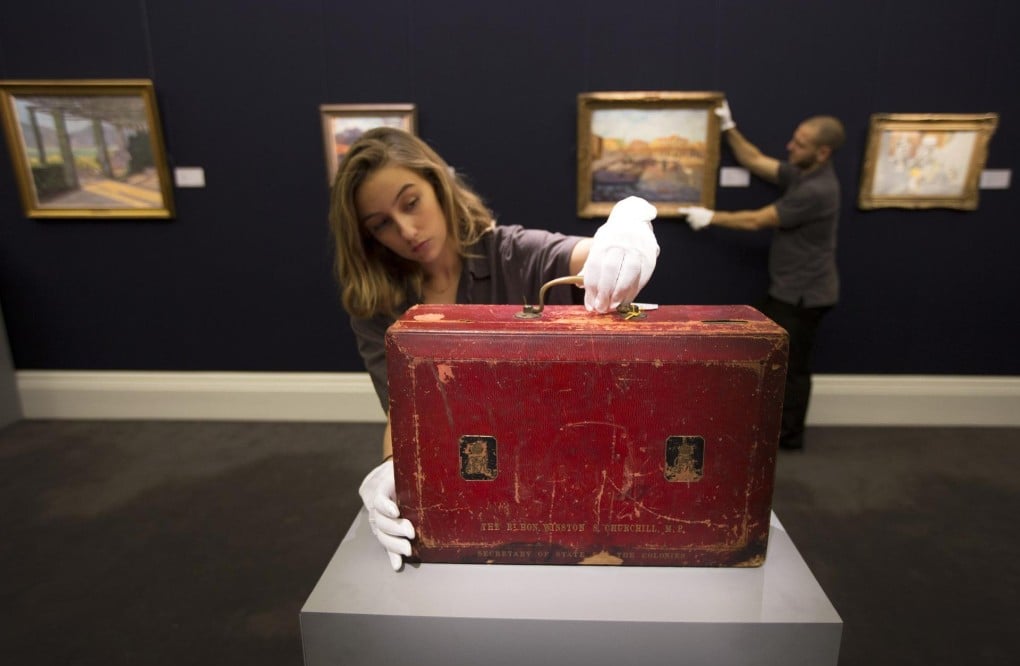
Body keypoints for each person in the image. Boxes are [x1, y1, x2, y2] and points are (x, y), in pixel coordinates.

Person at [329, 127, 659, 570]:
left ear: (438, 185)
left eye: (411, 203)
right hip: (464, 481)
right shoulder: (375, 303)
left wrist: (624, 233)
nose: (407, 230)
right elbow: (403, 407)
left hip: (549, 472)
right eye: (381, 224)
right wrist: (393, 467)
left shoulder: (509, 252)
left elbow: (581, 254)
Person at [679, 101, 845, 452]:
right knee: (774, 353)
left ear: (822, 152)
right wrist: (728, 127)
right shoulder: (804, 173)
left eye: (800, 144)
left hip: (804, 295)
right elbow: (755, 160)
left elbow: (758, 220)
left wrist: (710, 217)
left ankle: (789, 437)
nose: (790, 147)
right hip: (789, 289)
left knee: (794, 367)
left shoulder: (818, 190)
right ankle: (777, 428)